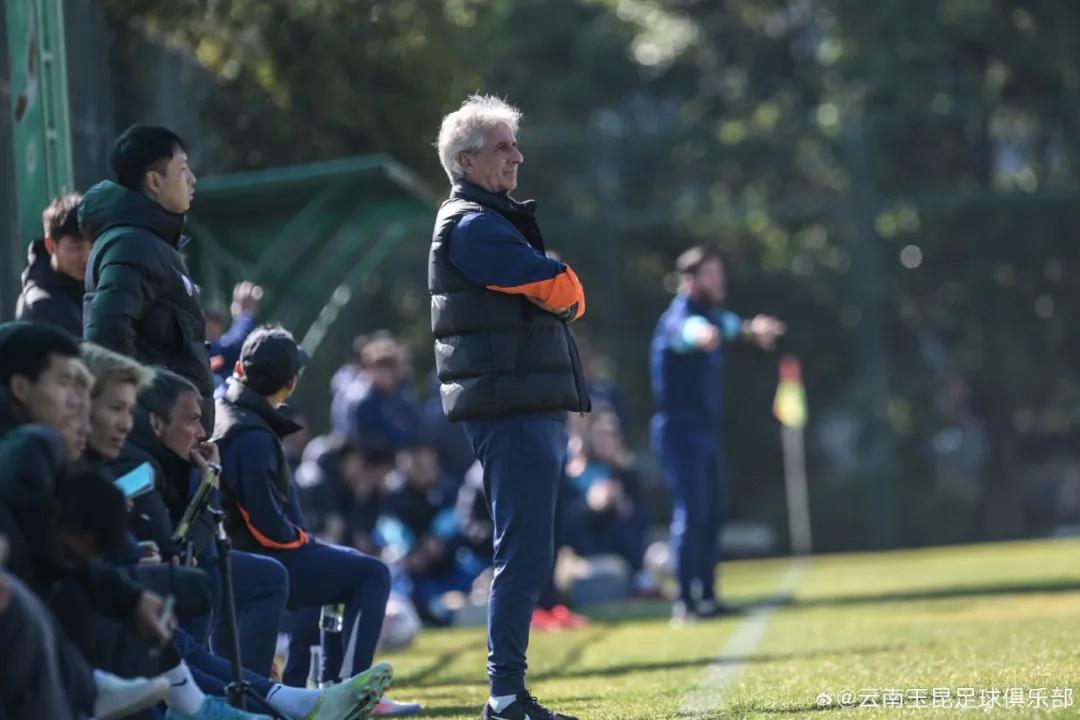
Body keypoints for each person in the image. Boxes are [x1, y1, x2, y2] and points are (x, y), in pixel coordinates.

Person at [430, 94, 590, 720]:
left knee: (527, 552)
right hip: (512, 407)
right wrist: (562, 283)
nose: (517, 157)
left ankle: (508, 694)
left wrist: (560, 286)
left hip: (522, 404)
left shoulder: (488, 219)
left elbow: (559, 291)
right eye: (503, 147)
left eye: (515, 145)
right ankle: (504, 697)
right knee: (521, 554)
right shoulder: (472, 225)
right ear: (466, 162)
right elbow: (561, 288)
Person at [213, 325, 404, 714]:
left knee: (338, 573)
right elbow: (264, 525)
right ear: (291, 382)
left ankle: (325, 684)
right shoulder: (249, 432)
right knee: (372, 574)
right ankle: (351, 692)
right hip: (263, 558)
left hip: (239, 556)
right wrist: (305, 542)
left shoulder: (229, 409)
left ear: (240, 368)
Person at [650, 246, 786, 624]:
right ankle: (685, 601)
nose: (718, 281)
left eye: (718, 274)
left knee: (713, 514)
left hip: (703, 432)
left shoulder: (710, 314)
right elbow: (691, 333)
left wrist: (754, 330)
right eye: (710, 275)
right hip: (678, 433)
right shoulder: (679, 318)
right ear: (689, 280)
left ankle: (708, 597)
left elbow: (731, 326)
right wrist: (704, 335)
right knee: (691, 513)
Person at [80, 124, 216, 432]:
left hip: (174, 437)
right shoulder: (132, 245)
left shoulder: (153, 244)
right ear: (154, 181)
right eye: (182, 169)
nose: (192, 179)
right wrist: (147, 416)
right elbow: (106, 337)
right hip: (154, 437)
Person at [15, 193, 91, 338]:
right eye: (77, 247)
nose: (87, 256)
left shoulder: (98, 284)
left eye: (93, 245)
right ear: (51, 245)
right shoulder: (40, 306)